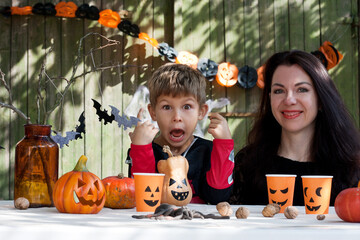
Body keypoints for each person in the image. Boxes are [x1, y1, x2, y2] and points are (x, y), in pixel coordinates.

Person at [229, 50, 360, 206]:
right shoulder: (247, 163)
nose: (289, 100)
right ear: (270, 99)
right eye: (279, 91)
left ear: (320, 99)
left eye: (302, 89)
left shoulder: (352, 166)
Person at [127, 63, 234, 204]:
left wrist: (224, 145)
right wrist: (140, 148)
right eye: (167, 107)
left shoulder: (208, 150)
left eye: (187, 107)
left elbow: (219, 197)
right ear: (153, 112)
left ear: (201, 111)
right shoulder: (145, 150)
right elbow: (144, 198)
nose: (177, 116)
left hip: (200, 224)